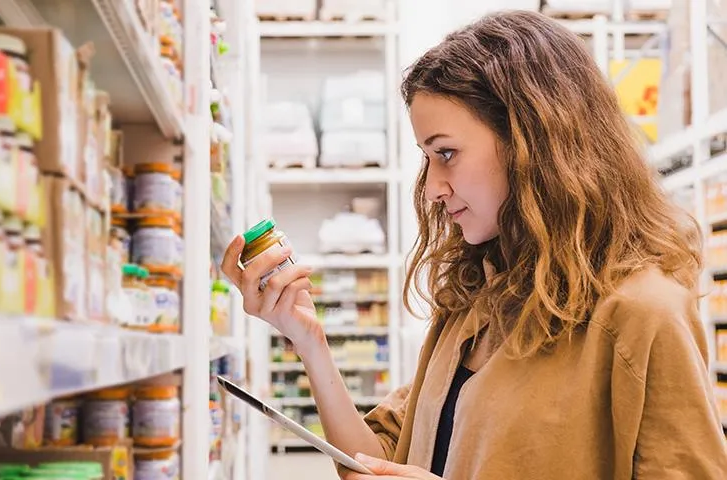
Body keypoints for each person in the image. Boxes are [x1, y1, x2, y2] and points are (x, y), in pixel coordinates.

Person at [222, 10, 727, 479]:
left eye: (447, 153)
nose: (433, 187)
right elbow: (372, 465)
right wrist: (307, 339)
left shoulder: (641, 315)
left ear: (534, 140)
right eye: (427, 159)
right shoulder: (474, 304)